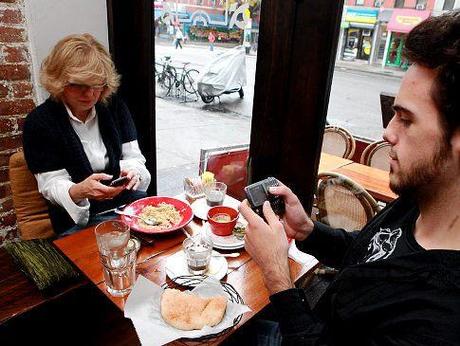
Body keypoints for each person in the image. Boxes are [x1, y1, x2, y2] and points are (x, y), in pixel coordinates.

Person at [239, 11, 460, 345]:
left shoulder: (440, 319)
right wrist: (308, 231)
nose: (387, 133)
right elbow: (368, 253)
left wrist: (277, 275)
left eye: (406, 119)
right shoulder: (418, 201)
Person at [23, 34, 151, 236]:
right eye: (79, 85)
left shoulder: (113, 105)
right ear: (59, 81)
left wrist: (133, 171)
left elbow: (133, 157)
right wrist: (80, 191)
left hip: (126, 207)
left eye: (97, 84)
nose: (90, 94)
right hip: (76, 220)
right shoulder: (39, 123)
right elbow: (51, 184)